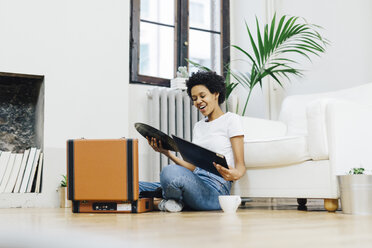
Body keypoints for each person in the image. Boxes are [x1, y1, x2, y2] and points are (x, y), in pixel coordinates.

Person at [139, 71, 246, 212]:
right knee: (133, 185)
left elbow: (241, 167)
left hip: (215, 189)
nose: (198, 102)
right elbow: (194, 168)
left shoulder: (231, 120)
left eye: (202, 96)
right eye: (194, 98)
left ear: (216, 94)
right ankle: (171, 200)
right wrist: (167, 153)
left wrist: (235, 174)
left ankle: (164, 200)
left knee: (169, 172)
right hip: (195, 181)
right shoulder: (198, 126)